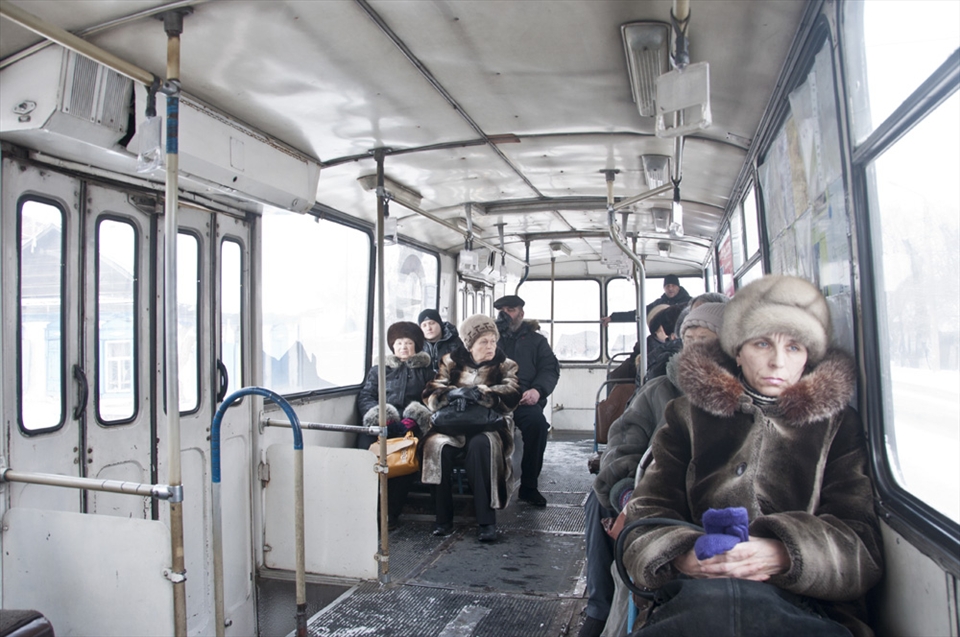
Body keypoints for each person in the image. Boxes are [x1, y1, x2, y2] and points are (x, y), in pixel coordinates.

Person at [622, 275, 883, 637]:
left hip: (805, 604)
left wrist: (783, 554)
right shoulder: (687, 415)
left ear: (808, 356)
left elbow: (860, 548)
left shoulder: (835, 425)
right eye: (762, 344)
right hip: (697, 594)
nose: (778, 362)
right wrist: (683, 556)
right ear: (738, 350)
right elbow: (646, 515)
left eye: (794, 347)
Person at [578, 301, 727, 637]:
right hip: (649, 491)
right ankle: (600, 608)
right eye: (689, 339)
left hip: (702, 504)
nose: (695, 349)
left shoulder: (741, 400)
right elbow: (622, 444)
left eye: (705, 339)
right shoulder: (660, 390)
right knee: (598, 501)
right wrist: (628, 493)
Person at [421, 314, 520, 542]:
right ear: (469, 344)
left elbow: (512, 395)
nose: (490, 346)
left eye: (493, 341)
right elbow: (430, 394)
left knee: (480, 446)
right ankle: (442, 518)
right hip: (452, 425)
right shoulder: (450, 362)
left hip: (489, 425)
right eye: (483, 342)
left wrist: (482, 394)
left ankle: (486, 520)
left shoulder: (506, 365)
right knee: (436, 447)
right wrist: (453, 394)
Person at [355, 321, 434, 529]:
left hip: (410, 427)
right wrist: (382, 417)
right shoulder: (379, 369)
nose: (403, 348)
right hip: (381, 423)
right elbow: (366, 395)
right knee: (366, 452)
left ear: (416, 345)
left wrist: (415, 419)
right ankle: (366, 509)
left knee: (402, 459)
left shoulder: (426, 371)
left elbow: (432, 399)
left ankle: (391, 513)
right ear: (392, 346)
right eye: (399, 343)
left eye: (408, 343)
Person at [493, 295, 561, 507]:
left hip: (523, 399)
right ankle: (486, 487)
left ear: (521, 313)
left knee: (537, 425)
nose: (506, 314)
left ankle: (529, 487)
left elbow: (549, 369)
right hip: (494, 399)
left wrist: (537, 391)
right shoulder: (491, 339)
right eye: (502, 310)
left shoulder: (537, 341)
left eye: (510, 310)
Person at [601, 275, 691, 325]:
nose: (670, 288)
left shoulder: (689, 303)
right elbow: (640, 313)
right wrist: (613, 317)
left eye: (673, 286)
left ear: (678, 287)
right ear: (664, 288)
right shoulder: (659, 304)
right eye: (667, 286)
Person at [419, 308, 463, 374]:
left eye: (432, 323)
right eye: (424, 325)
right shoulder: (417, 345)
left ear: (440, 324)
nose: (428, 328)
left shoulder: (455, 343)